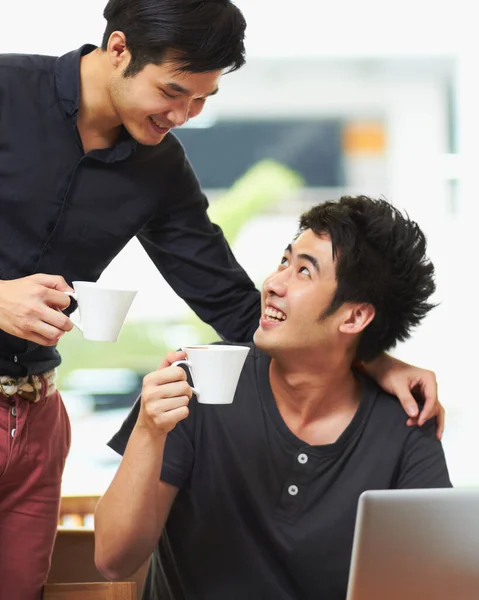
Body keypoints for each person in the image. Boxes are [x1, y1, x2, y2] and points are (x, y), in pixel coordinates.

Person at [0, 2, 443, 599]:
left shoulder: (159, 168)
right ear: (119, 49)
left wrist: (371, 356)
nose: (182, 115)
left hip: (34, 418)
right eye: (173, 91)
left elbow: (236, 306)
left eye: (202, 99)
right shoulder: (6, 92)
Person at [97, 195, 452, 600]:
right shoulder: (199, 382)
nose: (272, 283)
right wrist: (148, 430)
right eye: (285, 261)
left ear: (354, 317)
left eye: (304, 271)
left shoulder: (404, 427)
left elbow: (437, 583)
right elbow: (113, 559)